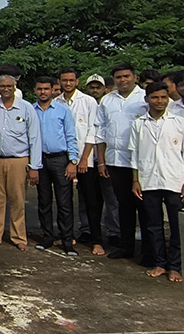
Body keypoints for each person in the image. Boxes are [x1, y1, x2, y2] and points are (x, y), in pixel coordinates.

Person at [129, 82, 184, 283]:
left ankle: (175, 266)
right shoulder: (139, 123)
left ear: (169, 99)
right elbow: (134, 155)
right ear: (147, 99)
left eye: (163, 97)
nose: (159, 101)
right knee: (153, 225)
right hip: (149, 180)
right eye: (155, 98)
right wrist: (135, 180)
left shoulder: (179, 122)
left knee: (176, 225)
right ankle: (160, 263)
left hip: (175, 181)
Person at [97, 63, 152, 264]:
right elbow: (100, 132)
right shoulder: (107, 100)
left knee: (145, 207)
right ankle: (126, 247)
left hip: (142, 162)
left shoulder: (145, 98)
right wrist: (101, 162)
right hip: (115, 160)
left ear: (135, 77)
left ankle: (148, 251)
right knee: (124, 205)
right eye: (119, 77)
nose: (123, 80)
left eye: (127, 76)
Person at [0, 75, 42, 251]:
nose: (5, 89)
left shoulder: (26, 108)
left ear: (15, 87)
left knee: (18, 200)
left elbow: (34, 138)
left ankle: (18, 236)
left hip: (19, 160)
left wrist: (34, 167)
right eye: (2, 86)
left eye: (9, 86)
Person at [56, 68, 105, 255]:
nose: (67, 83)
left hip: (85, 160)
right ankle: (67, 235)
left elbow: (93, 130)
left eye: (71, 80)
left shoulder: (88, 101)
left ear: (77, 82)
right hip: (63, 158)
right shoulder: (56, 102)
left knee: (91, 200)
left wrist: (84, 159)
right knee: (64, 200)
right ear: (60, 82)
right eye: (64, 80)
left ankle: (96, 240)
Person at [32, 77, 80, 256]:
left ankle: (67, 240)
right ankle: (47, 237)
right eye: (39, 89)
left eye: (46, 89)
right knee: (43, 200)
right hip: (40, 159)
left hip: (60, 160)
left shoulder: (62, 110)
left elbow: (70, 135)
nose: (43, 92)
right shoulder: (31, 110)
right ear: (35, 90)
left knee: (64, 202)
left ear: (53, 90)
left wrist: (72, 161)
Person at [86, 73, 122, 248]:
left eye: (97, 87)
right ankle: (87, 230)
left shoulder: (108, 104)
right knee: (89, 199)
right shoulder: (84, 103)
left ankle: (113, 231)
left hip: (107, 159)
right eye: (91, 87)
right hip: (87, 160)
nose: (94, 90)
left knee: (111, 198)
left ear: (104, 89)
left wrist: (102, 161)